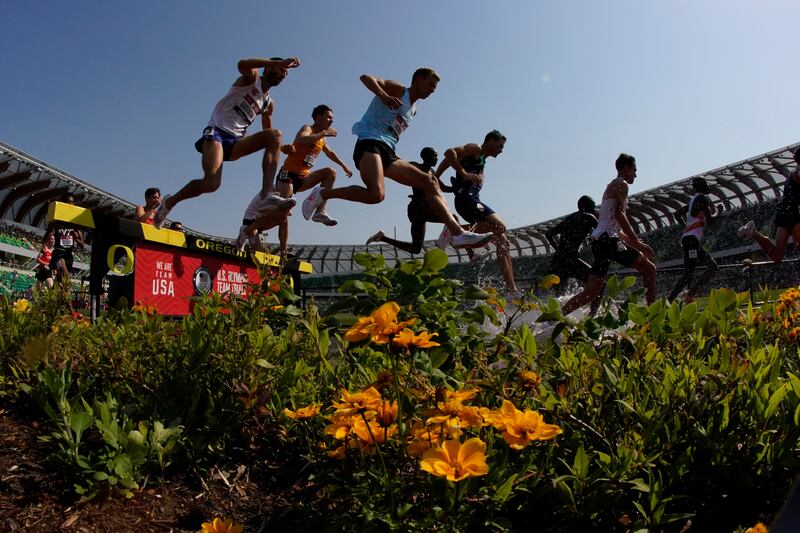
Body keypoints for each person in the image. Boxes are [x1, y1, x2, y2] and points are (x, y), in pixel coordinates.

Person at [300, 68, 491, 249]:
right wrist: (383, 95)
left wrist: (396, 155)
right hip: (368, 142)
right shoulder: (399, 90)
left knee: (429, 181)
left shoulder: (413, 110)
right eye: (430, 85)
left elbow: (391, 132)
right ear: (418, 80)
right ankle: (323, 194)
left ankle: (457, 233)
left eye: (435, 87)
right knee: (376, 194)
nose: (432, 90)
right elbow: (366, 77)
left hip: (387, 150)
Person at [154, 56, 301, 229]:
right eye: (280, 69)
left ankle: (267, 193)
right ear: (268, 68)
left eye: (286, 73)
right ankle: (169, 203)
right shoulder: (251, 79)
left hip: (236, 142)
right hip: (217, 133)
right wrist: (276, 62)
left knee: (276, 135)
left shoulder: (268, 103)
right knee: (211, 184)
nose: (283, 74)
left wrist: (281, 146)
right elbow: (241, 64)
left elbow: (268, 132)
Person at [241, 104, 353, 255]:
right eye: (328, 117)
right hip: (288, 175)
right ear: (318, 117)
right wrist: (324, 133)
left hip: (303, 177)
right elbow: (301, 140)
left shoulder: (321, 139)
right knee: (283, 214)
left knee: (330, 173)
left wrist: (344, 166)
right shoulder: (308, 128)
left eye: (332, 118)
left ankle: (320, 211)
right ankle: (251, 232)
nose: (331, 121)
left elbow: (330, 152)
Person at [561, 154, 656, 316]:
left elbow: (614, 227)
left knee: (591, 292)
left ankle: (555, 317)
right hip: (608, 240)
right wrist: (639, 244)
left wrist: (635, 243)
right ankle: (653, 315)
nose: (635, 175)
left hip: (601, 241)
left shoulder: (612, 186)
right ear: (626, 168)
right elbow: (619, 215)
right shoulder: (622, 184)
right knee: (650, 269)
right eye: (634, 170)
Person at [435, 130, 519, 294]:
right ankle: (454, 231)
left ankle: (512, 290)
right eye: (500, 146)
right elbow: (449, 153)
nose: (501, 150)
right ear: (491, 141)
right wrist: (463, 173)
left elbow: (449, 159)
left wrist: (438, 176)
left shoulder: (480, 159)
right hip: (468, 200)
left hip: (470, 201)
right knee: (500, 226)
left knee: (503, 242)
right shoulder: (476, 149)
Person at [365, 147, 453, 254]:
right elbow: (400, 163)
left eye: (437, 156)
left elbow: (443, 188)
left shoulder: (432, 172)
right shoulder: (415, 166)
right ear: (425, 157)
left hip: (424, 209)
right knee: (452, 219)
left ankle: (382, 238)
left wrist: (460, 186)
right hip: (417, 208)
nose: (436, 158)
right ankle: (447, 242)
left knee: (415, 249)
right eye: (434, 155)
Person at [737, 149, 800, 262]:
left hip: (784, 212)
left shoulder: (792, 173)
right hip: (795, 213)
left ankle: (753, 233)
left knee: (777, 256)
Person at [544, 195, 604, 314]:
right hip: (570, 260)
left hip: (557, 260)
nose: (594, 210)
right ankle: (592, 316)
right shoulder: (589, 217)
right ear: (587, 207)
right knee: (599, 285)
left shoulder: (569, 218)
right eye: (593, 206)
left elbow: (548, 233)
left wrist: (557, 249)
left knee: (558, 297)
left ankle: (551, 323)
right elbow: (602, 233)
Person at [667, 177, 718, 301]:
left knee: (691, 272)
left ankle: (686, 294)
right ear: (701, 186)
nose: (707, 186)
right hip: (691, 241)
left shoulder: (692, 200)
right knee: (709, 268)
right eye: (705, 184)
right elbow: (710, 221)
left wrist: (686, 226)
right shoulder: (702, 199)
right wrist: (718, 212)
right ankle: (675, 298)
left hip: (689, 239)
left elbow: (677, 214)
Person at [46, 194, 84, 308]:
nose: (71, 205)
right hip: (58, 254)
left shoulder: (76, 223)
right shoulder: (56, 222)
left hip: (69, 256)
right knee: (66, 279)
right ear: (62, 204)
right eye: (68, 202)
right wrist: (50, 235)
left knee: (59, 283)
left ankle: (51, 304)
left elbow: (82, 245)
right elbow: (47, 236)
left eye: (72, 203)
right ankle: (70, 309)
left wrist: (77, 237)